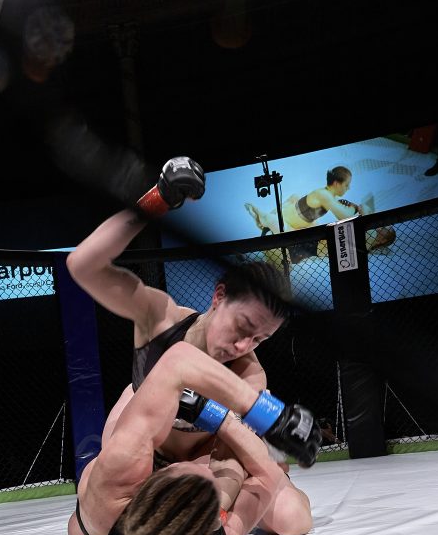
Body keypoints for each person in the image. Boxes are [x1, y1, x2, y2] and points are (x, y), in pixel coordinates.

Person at [67, 157, 296, 473]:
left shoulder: (249, 374)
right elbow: (82, 265)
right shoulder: (161, 318)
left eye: (260, 339)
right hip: (139, 446)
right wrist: (157, 200)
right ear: (219, 296)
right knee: (105, 471)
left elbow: (259, 435)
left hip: (197, 458)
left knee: (277, 490)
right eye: (243, 327)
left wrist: (278, 425)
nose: (244, 346)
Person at [68, 341, 316, 535]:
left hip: (153, 424)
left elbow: (176, 360)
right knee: (292, 517)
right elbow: (265, 473)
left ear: (159, 476)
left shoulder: (113, 484)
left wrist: (206, 406)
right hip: (208, 436)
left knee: (79, 533)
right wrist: (260, 416)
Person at [244, 165, 395, 264]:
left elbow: (364, 213)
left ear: (383, 239)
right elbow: (358, 216)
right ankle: (265, 222)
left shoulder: (369, 239)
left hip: (305, 247)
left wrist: (359, 209)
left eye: (384, 229)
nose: (381, 227)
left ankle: (264, 220)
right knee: (294, 199)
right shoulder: (365, 235)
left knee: (276, 222)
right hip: (315, 238)